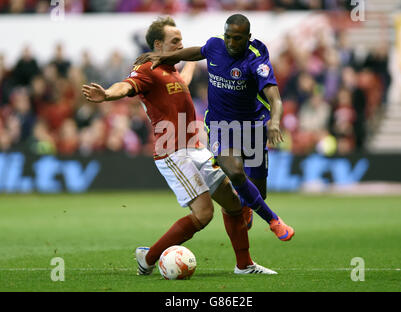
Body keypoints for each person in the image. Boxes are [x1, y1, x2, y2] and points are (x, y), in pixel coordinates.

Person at [82, 16, 276, 275]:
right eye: (175, 41)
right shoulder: (148, 69)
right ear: (158, 44)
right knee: (204, 214)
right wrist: (107, 94)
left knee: (233, 203)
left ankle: (245, 266)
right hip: (172, 151)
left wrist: (201, 60)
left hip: (196, 148)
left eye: (182, 40)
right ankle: (148, 258)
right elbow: (126, 86)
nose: (181, 44)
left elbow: (186, 72)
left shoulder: (172, 70)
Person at [135, 14, 294, 241]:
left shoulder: (257, 59)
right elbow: (197, 51)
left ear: (248, 37)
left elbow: (275, 97)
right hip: (221, 126)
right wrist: (166, 57)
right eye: (228, 36)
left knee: (258, 193)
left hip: (254, 127)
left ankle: (248, 204)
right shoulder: (216, 45)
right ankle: (274, 221)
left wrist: (275, 122)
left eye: (237, 38)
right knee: (236, 172)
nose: (231, 42)